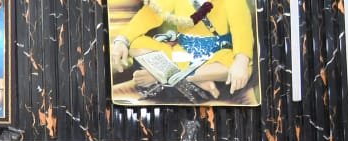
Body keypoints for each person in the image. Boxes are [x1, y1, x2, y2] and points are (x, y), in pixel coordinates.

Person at [109, 0, 255, 102]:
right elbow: (149, 15)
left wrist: (241, 60)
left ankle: (163, 76)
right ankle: (197, 79)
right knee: (135, 45)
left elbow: (242, 29)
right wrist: (122, 40)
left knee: (241, 68)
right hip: (182, 55)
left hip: (216, 54)